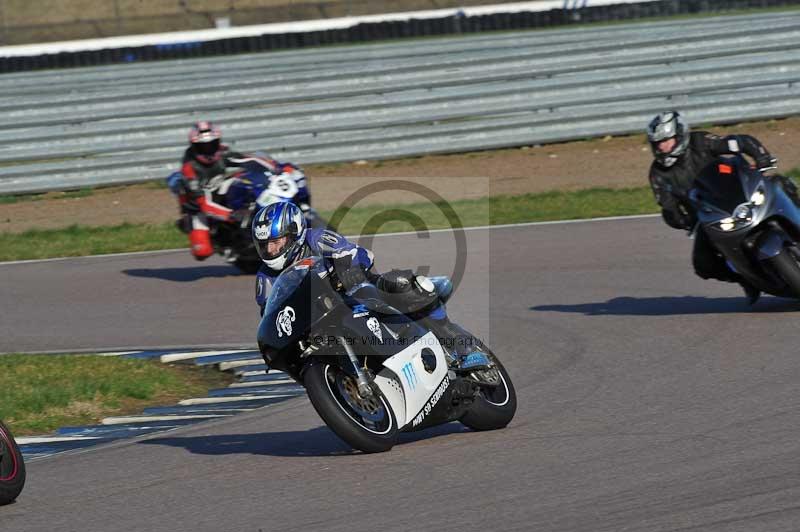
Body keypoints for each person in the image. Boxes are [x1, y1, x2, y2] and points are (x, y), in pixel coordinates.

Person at [251, 201, 487, 369]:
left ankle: (463, 348)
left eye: (276, 242)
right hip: (319, 322)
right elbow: (270, 312)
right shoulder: (264, 278)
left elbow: (354, 252)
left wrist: (350, 270)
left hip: (354, 290)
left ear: (294, 233)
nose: (271, 250)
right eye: (265, 245)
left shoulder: (317, 238)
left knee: (400, 285)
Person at [646, 110, 800, 304]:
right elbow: (667, 205)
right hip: (710, 215)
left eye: (666, 141)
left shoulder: (701, 142)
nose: (662, 147)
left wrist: (762, 158)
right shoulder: (657, 174)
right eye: (658, 143)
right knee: (703, 264)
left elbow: (739, 142)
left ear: (680, 135)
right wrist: (680, 219)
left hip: (741, 191)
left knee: (780, 183)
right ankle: (746, 279)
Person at [166, 121, 308, 260]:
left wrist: (277, 167)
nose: (208, 149)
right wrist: (232, 215)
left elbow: (249, 159)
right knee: (202, 252)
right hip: (197, 207)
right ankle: (224, 242)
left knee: (244, 183)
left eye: (212, 144)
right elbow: (204, 205)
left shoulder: (221, 152)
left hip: (217, 185)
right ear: (195, 147)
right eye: (203, 147)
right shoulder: (189, 170)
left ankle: (257, 217)